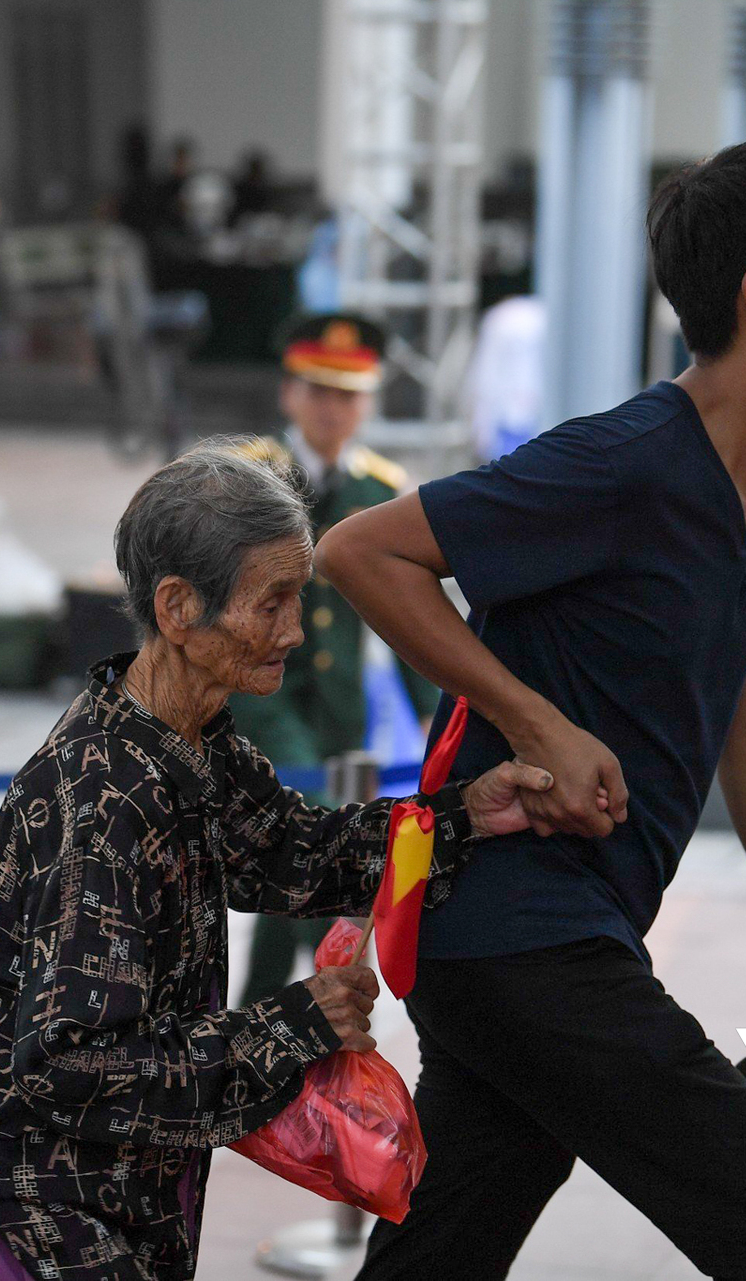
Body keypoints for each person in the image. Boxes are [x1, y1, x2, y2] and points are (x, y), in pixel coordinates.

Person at [320, 140, 746, 1280]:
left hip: (541, 934)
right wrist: (536, 722)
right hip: (516, 926)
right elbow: (361, 550)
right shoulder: (627, 461)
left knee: (444, 1253)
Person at [0, 444, 550, 1281]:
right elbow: (72, 1066)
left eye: (298, 597)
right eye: (271, 601)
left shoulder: (185, 735)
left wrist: (463, 819)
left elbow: (292, 851)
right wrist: (297, 1023)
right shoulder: (107, 801)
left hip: (96, 1194)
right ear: (177, 607)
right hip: (19, 1209)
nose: (295, 629)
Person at [231, 313, 438, 1005]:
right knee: (319, 855)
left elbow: (406, 612)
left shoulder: (380, 488)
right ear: (289, 394)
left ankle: (264, 1013)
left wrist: (439, 713)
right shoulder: (249, 479)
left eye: (348, 394)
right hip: (265, 710)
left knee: (293, 870)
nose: (333, 408)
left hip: (342, 720)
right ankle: (313, 1008)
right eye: (318, 390)